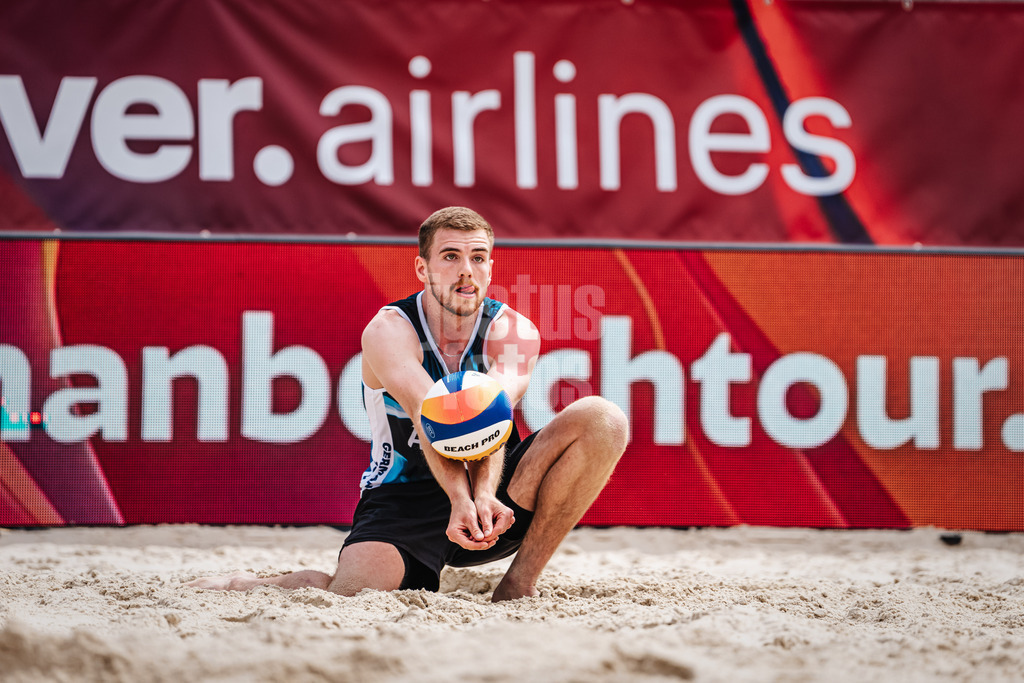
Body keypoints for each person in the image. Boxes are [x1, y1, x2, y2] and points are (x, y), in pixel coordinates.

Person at [189, 206, 628, 601]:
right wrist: (460, 498)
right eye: (450, 256)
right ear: (422, 268)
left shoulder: (513, 330)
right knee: (350, 593)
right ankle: (251, 585)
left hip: (497, 493)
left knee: (602, 418)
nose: (465, 271)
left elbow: (489, 417)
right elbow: (434, 418)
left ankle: (519, 582)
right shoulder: (388, 331)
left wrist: (482, 495)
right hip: (406, 493)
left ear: (490, 269)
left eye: (477, 258)